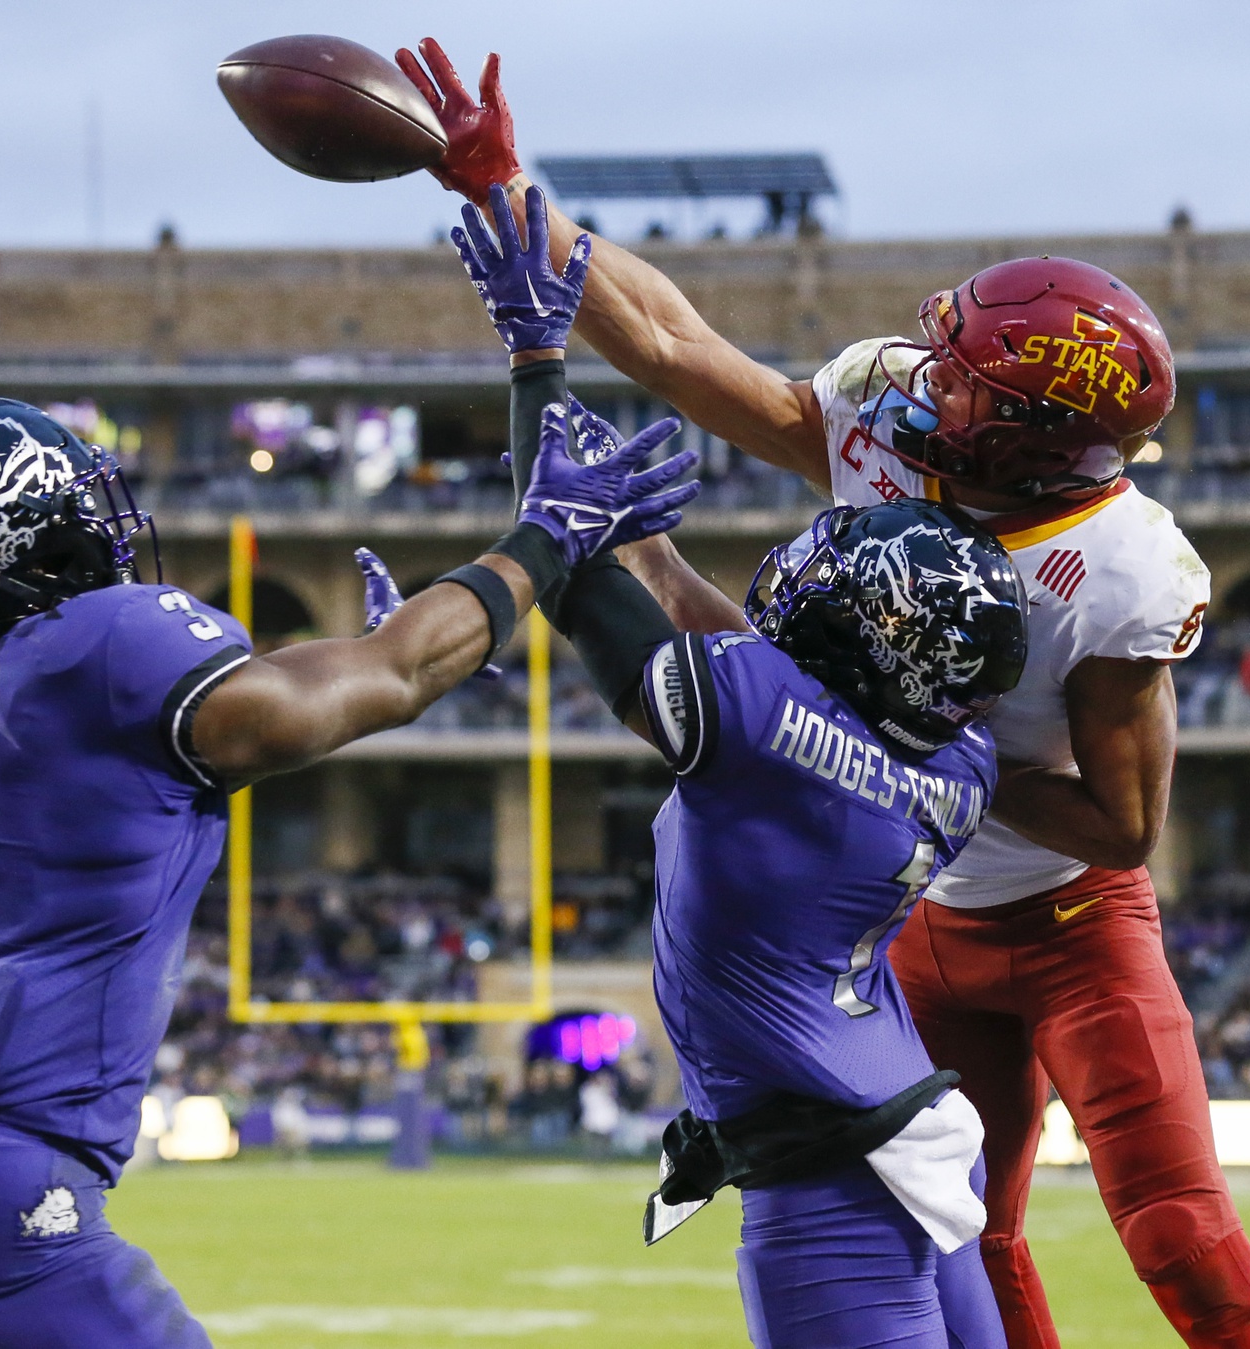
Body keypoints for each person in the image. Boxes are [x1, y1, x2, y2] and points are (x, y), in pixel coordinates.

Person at [396, 40, 1250, 1349]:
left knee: (1174, 1226)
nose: (928, 382)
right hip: (909, 914)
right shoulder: (890, 410)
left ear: (1028, 438)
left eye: (968, 383)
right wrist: (503, 190)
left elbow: (1120, 829)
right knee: (960, 1231)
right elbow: (669, 341)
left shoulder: (1119, 568)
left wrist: (920, 748)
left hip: (1066, 918)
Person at [0, 394, 693, 1347]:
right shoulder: (95, 645)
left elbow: (254, 709)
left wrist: (374, 656)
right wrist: (540, 541)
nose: (97, 538)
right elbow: (379, 679)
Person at [386, 182, 1030, 1347]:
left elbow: (576, 583)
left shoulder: (763, 723)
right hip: (909, 1154)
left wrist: (536, 355)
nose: (805, 583)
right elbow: (782, 686)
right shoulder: (959, 756)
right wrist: (652, 545)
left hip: (828, 1184)